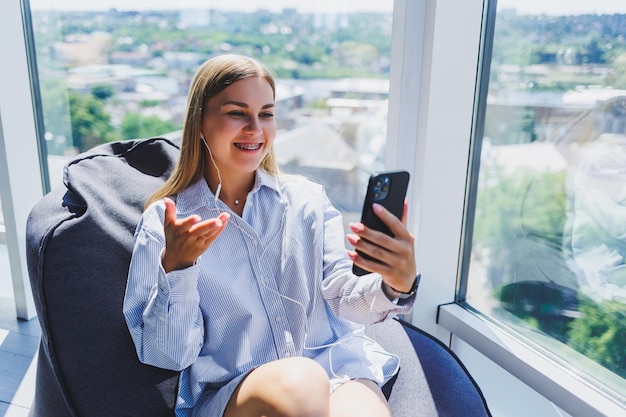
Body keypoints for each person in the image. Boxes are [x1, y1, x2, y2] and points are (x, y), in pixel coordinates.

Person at [123, 53, 418, 417]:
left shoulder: (307, 199)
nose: (255, 129)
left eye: (266, 113)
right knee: (300, 379)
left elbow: (343, 297)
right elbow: (166, 355)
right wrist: (178, 268)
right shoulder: (166, 222)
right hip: (236, 390)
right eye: (236, 113)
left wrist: (394, 285)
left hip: (337, 369)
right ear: (200, 121)